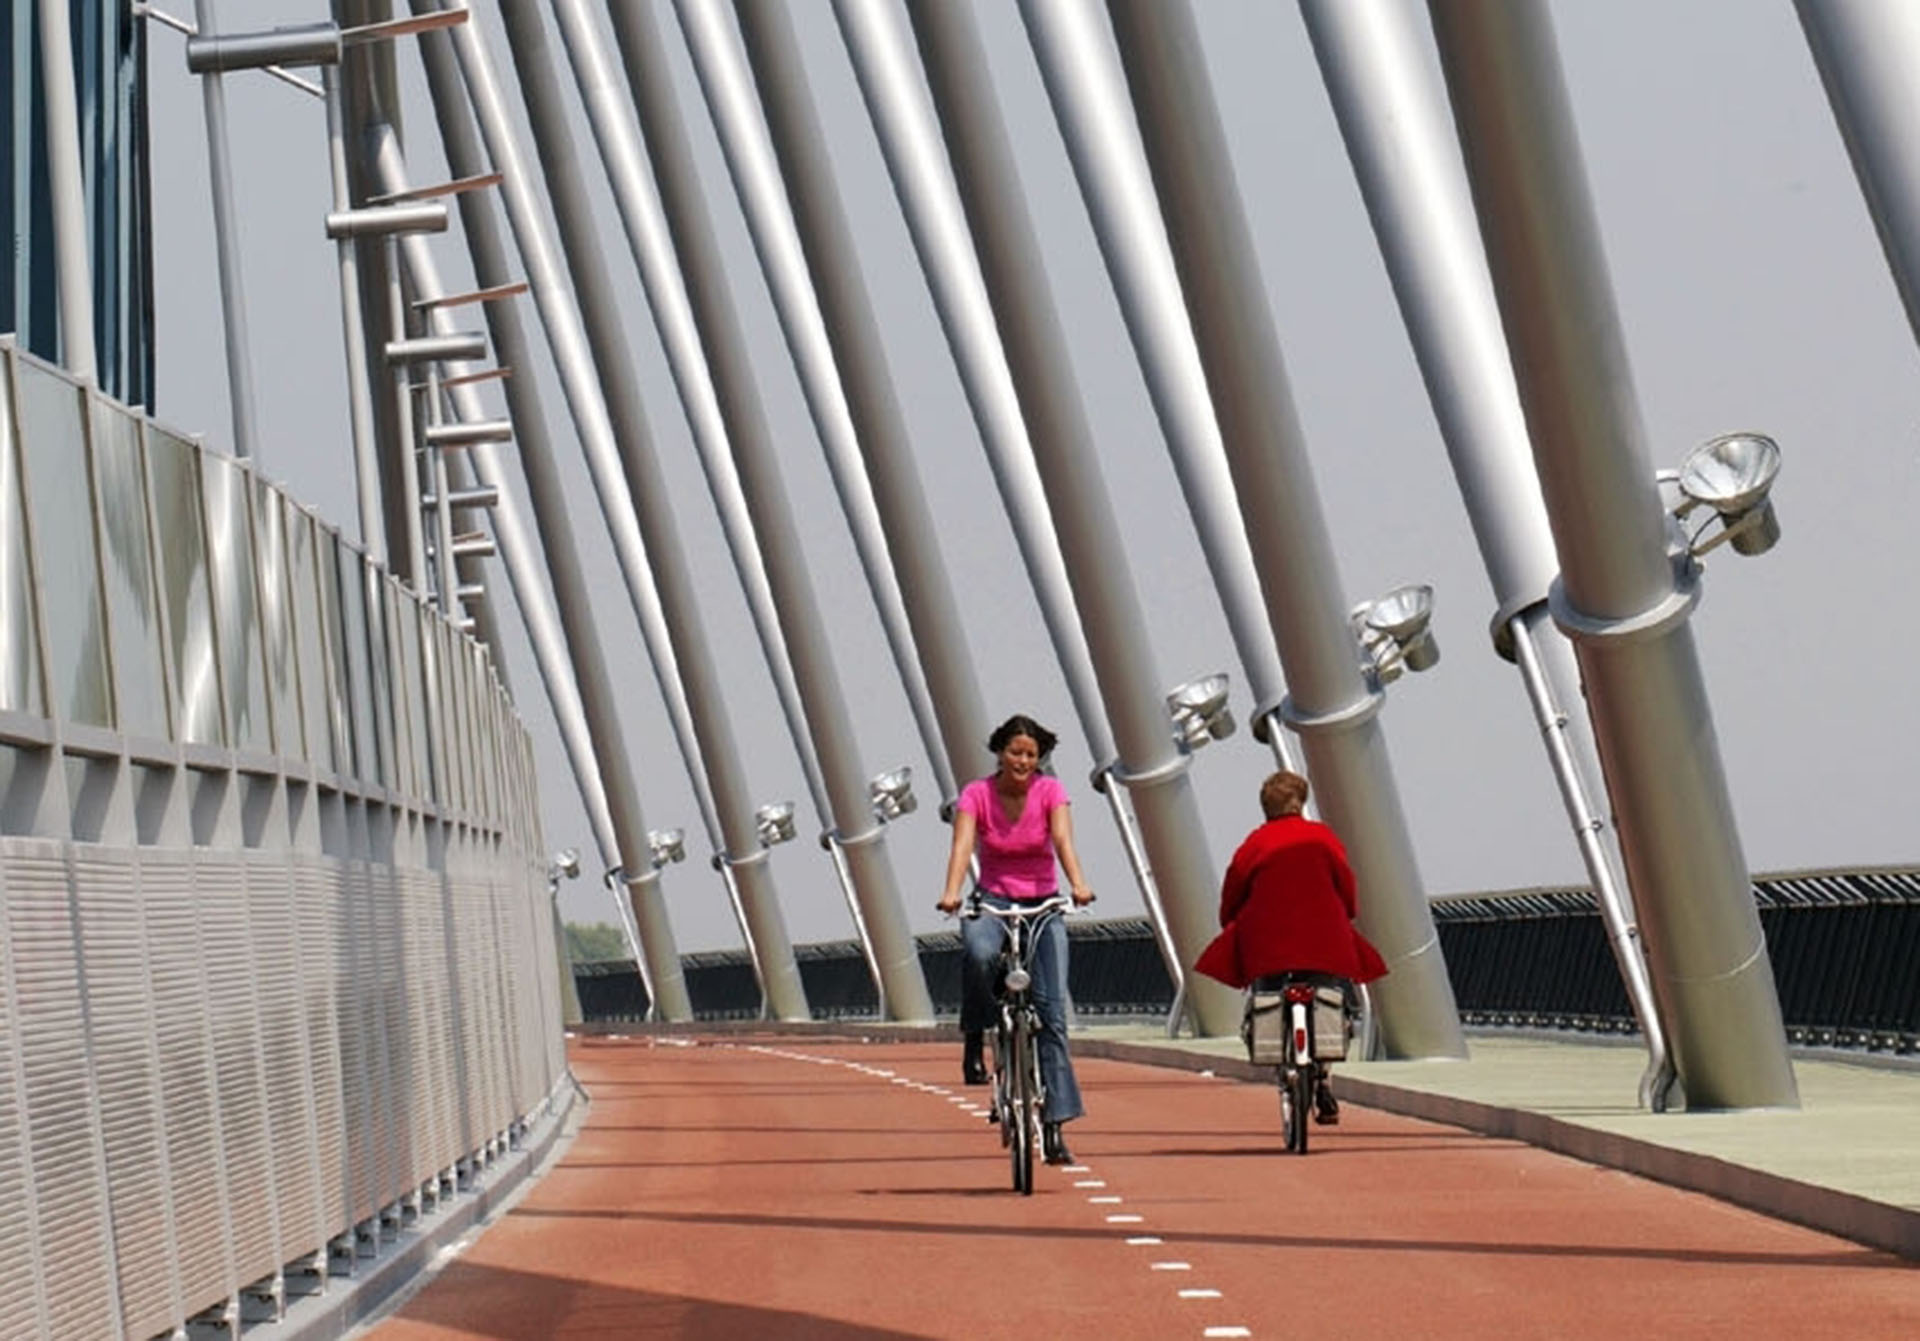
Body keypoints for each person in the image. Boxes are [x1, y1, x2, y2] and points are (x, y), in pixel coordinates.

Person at [937, 713, 1096, 1165]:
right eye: (1015, 752)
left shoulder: (1050, 792)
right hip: (993, 900)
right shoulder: (977, 794)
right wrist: (951, 893)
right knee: (980, 953)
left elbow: (1063, 840)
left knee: (1051, 1016)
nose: (1023, 761)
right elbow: (962, 846)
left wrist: (1078, 885)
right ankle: (976, 1034)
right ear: (1000, 753)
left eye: (1031, 754)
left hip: (1042, 904)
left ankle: (1055, 1125)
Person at [1194, 770, 1388, 1125]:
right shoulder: (1323, 838)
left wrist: (1230, 922)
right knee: (1331, 995)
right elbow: (1347, 889)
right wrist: (1346, 913)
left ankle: (1284, 1063)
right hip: (1322, 941)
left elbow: (1232, 897)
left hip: (1267, 946)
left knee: (1267, 995)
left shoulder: (1254, 844)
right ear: (1301, 803)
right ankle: (1324, 1078)